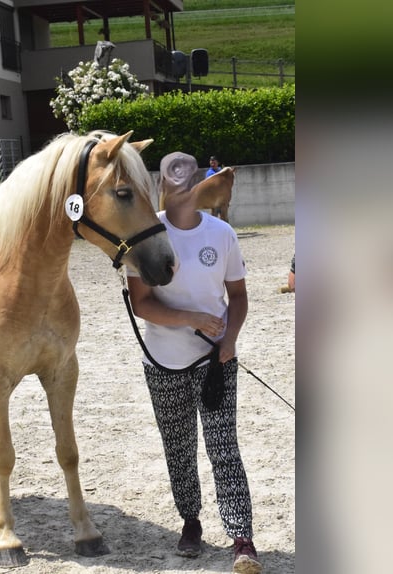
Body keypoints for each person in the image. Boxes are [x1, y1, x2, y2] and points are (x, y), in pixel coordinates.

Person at [126, 151, 261, 574]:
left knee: (224, 447)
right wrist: (190, 318)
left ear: (199, 184)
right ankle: (190, 522)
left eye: (186, 184)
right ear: (162, 188)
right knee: (178, 447)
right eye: (172, 185)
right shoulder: (146, 237)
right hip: (163, 360)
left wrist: (230, 338)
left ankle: (242, 537)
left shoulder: (221, 234)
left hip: (215, 359)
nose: (179, 191)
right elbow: (142, 304)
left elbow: (237, 297)